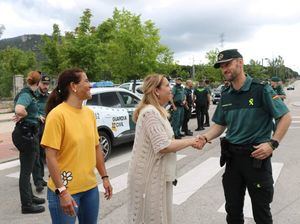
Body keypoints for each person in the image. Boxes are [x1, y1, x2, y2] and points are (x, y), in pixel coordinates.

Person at [197, 49, 291, 224]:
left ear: (240, 62)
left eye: (228, 64)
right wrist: (204, 137)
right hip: (233, 159)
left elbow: (285, 116)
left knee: (261, 213)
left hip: (256, 159)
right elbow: (219, 124)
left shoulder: (261, 90)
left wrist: (272, 143)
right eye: (221, 66)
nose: (224, 69)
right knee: (232, 212)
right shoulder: (226, 95)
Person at [127, 74, 202, 224]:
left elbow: (167, 141)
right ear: (156, 91)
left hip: (158, 175)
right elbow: (163, 146)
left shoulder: (157, 110)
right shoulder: (150, 113)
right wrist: (191, 141)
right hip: (149, 177)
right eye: (167, 85)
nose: (171, 89)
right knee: (151, 218)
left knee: (160, 216)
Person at [41, 68, 113, 223]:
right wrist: (62, 192)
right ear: (73, 86)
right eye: (86, 81)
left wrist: (105, 177)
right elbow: (50, 156)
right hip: (65, 191)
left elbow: (96, 147)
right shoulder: (57, 115)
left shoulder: (89, 114)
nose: (90, 85)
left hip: (90, 189)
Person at [11, 70, 46, 214]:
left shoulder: (31, 94)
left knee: (28, 167)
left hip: (27, 133)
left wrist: (36, 116)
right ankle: (26, 205)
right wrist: (24, 114)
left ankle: (30, 197)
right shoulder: (26, 94)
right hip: (25, 136)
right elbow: (19, 109)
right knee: (25, 172)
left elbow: (29, 109)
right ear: (38, 83)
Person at [32, 73, 50, 193]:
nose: (46, 86)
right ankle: (38, 181)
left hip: (46, 128)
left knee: (44, 154)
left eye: (47, 84)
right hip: (35, 128)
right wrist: (37, 116)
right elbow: (28, 109)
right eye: (44, 84)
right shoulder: (33, 96)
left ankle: (41, 178)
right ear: (39, 83)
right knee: (36, 155)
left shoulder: (49, 97)